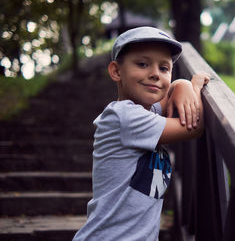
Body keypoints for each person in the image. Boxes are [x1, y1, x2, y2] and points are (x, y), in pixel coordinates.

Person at [73, 26, 210, 240]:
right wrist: (195, 85)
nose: (155, 73)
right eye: (143, 64)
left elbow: (169, 95)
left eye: (164, 68)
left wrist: (181, 84)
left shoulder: (146, 111)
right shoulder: (126, 116)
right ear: (116, 71)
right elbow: (195, 125)